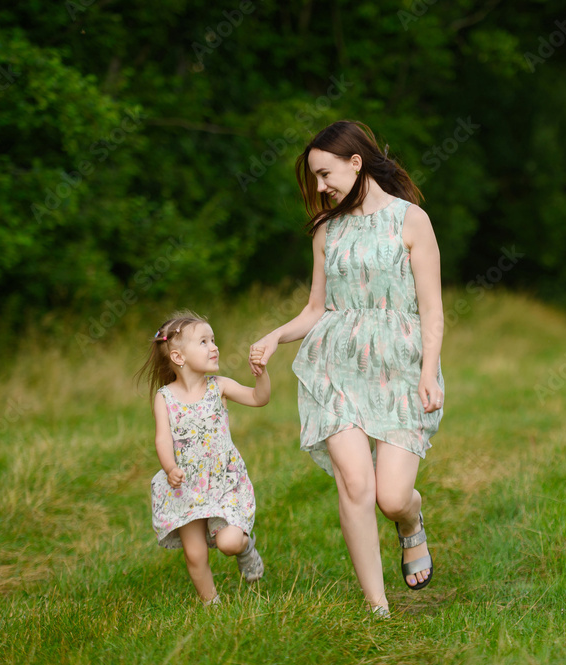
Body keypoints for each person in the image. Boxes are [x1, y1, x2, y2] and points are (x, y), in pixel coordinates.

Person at [248, 120, 445, 616]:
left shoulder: (411, 220)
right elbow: (317, 308)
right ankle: (377, 607)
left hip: (400, 367)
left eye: (324, 174)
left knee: (392, 496)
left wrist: (428, 371)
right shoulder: (326, 230)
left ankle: (410, 521)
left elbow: (432, 310)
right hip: (335, 367)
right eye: (315, 178)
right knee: (356, 483)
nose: (319, 187)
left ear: (356, 163)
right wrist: (276, 335)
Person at [139, 311, 270, 607]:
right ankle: (212, 605)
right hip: (185, 488)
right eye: (204, 341)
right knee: (195, 554)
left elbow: (259, 398)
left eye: (213, 340)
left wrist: (261, 375)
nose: (214, 347)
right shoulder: (165, 397)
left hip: (222, 481)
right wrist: (169, 467)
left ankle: (246, 549)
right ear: (178, 357)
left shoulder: (218, 386)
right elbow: (162, 438)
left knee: (229, 543)